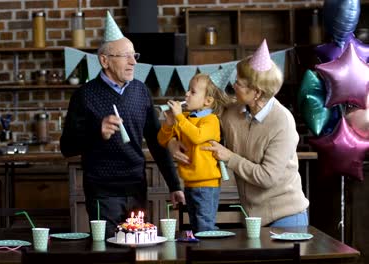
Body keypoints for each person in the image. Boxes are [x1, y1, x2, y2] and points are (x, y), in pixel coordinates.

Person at [60, 11, 185, 238]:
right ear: (105, 60)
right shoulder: (84, 95)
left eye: (134, 55)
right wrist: (96, 131)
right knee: (110, 252)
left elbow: (158, 142)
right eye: (125, 56)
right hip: (102, 191)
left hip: (137, 188)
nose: (133, 61)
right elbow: (66, 147)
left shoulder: (141, 91)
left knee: (137, 248)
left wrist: (174, 184)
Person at [168, 39, 309, 228]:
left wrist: (230, 158)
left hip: (286, 217)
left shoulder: (282, 122)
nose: (233, 85)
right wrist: (172, 142)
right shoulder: (232, 112)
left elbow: (267, 177)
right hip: (252, 218)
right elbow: (195, 120)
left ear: (256, 92)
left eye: (239, 83)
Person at [157, 73, 230, 232]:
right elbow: (162, 140)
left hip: (207, 184)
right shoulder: (185, 118)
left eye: (193, 91)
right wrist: (169, 124)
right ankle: (200, 253)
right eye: (187, 90)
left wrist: (179, 118)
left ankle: (206, 253)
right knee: (196, 225)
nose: (186, 94)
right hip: (189, 183)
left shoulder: (211, 120)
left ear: (208, 101)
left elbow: (197, 136)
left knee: (205, 225)